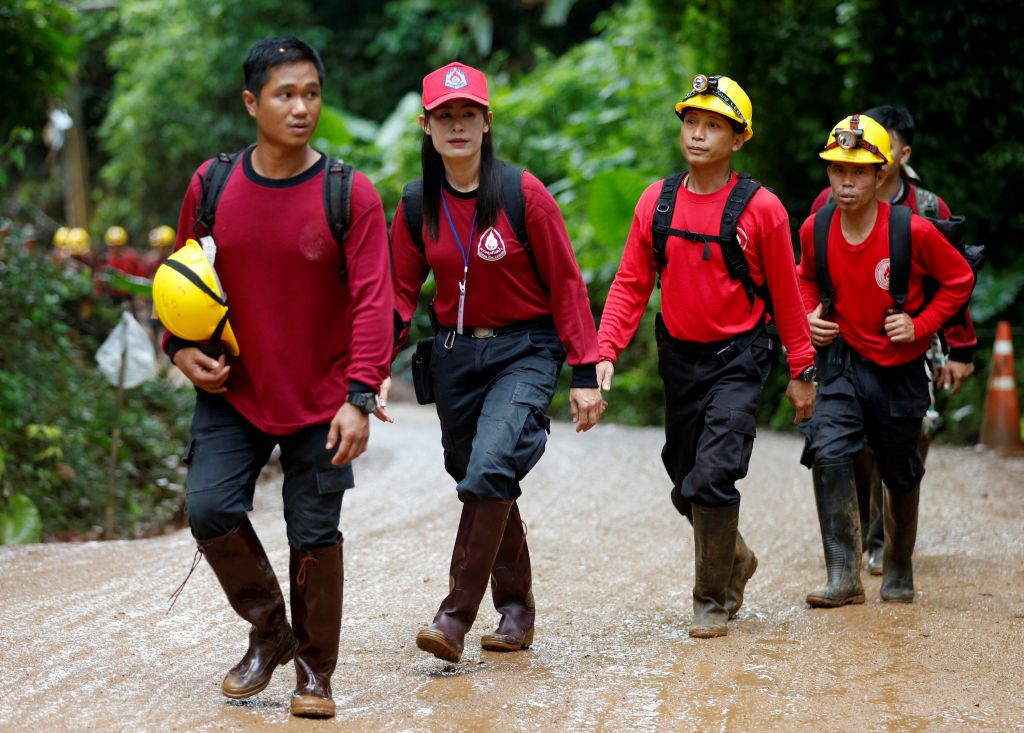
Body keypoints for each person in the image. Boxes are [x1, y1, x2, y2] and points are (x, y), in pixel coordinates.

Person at [163, 37, 393, 718]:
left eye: (311, 93)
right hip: (232, 390)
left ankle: (316, 674)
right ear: (251, 102)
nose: (301, 107)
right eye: (285, 94)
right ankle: (271, 628)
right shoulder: (213, 184)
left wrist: (359, 395)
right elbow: (178, 277)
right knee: (208, 508)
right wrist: (178, 347)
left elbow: (373, 301)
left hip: (322, 400)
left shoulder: (349, 192)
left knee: (314, 533)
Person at [389, 61, 606, 663]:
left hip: (525, 350)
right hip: (456, 354)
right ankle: (517, 610)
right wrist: (369, 370)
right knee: (477, 474)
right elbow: (399, 295)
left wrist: (584, 373)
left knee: (489, 466)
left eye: (468, 114)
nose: (456, 125)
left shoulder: (521, 193)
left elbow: (566, 285)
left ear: (487, 123)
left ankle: (453, 616)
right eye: (444, 116)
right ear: (427, 127)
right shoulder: (415, 204)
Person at [597, 74, 817, 639]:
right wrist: (606, 349)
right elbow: (630, 282)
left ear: (738, 138)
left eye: (713, 125)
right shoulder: (657, 200)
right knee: (684, 476)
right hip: (680, 358)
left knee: (715, 475)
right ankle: (735, 557)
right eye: (691, 122)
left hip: (739, 359)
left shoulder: (762, 209)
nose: (697, 134)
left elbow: (789, 298)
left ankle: (711, 598)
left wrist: (802, 371)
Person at [797, 113, 973, 606]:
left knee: (899, 469)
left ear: (881, 175)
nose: (846, 182)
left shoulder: (913, 230)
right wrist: (812, 312)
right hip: (843, 362)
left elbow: (958, 281)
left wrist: (921, 325)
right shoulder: (817, 226)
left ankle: (898, 563)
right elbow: (805, 276)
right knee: (829, 452)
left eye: (857, 172)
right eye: (836, 171)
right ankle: (843, 576)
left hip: (899, 370)